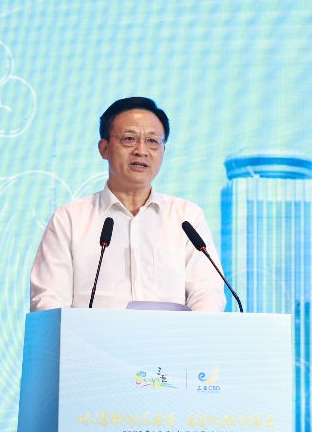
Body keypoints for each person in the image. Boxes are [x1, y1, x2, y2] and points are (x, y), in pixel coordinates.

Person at [29, 97, 226, 312]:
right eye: (129, 139)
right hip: (93, 335)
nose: (141, 150)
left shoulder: (186, 218)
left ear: (163, 151)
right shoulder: (69, 220)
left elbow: (207, 293)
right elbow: (48, 298)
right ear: (104, 148)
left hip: (170, 335)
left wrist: (194, 328)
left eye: (152, 141)